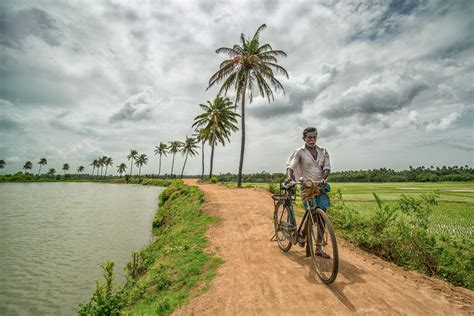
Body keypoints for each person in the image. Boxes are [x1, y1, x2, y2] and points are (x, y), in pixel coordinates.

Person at [285, 126, 331, 258]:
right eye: (309, 137)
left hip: (320, 186)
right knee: (312, 213)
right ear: (304, 138)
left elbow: (327, 167)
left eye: (314, 137)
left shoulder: (323, 151)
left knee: (322, 217)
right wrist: (289, 176)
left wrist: (323, 178)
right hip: (306, 186)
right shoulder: (300, 152)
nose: (312, 139)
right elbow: (291, 166)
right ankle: (304, 235)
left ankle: (318, 247)